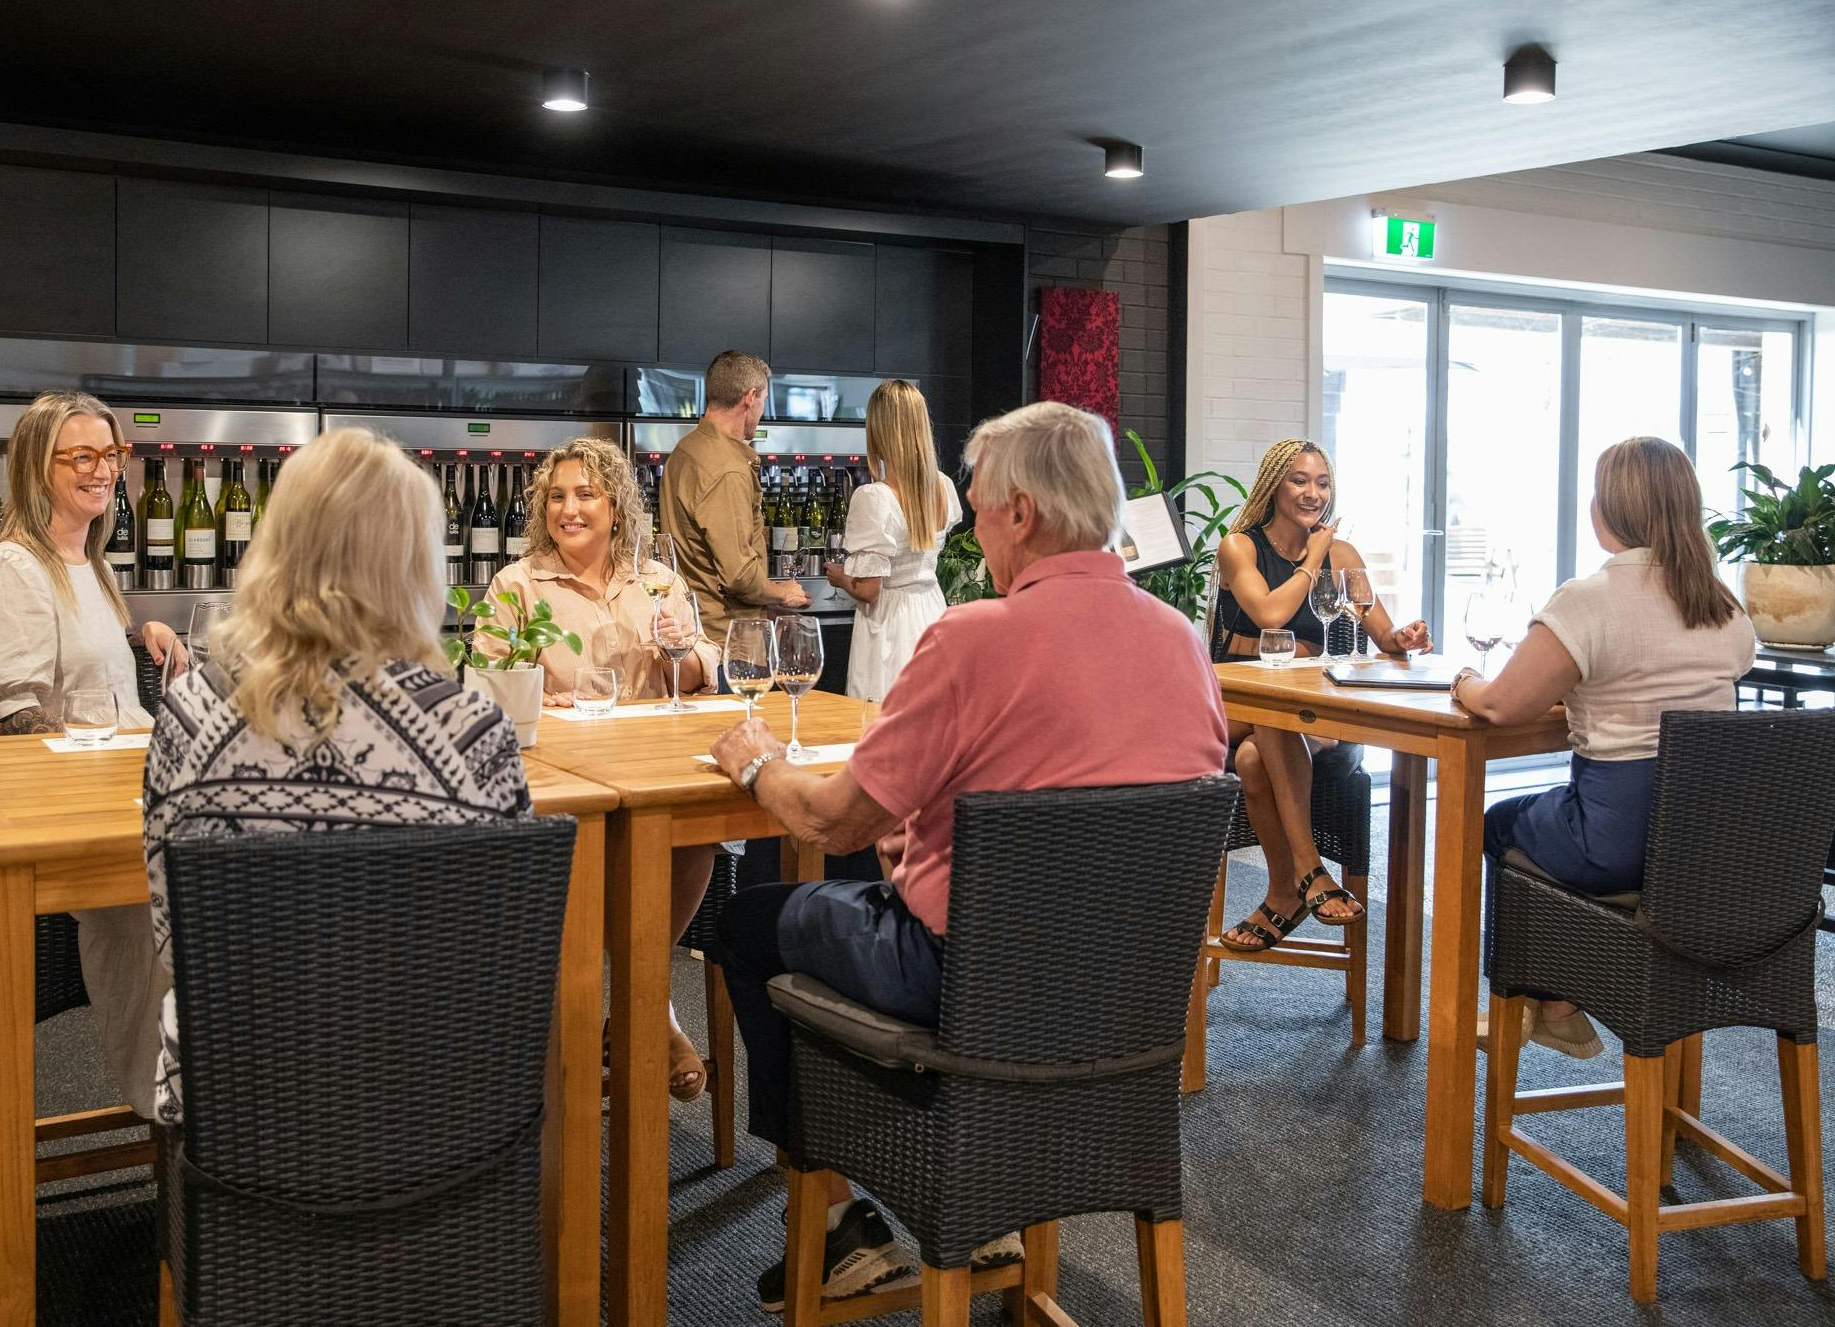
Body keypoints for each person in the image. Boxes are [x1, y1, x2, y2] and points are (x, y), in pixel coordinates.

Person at [708, 401, 1229, 1312]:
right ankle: (987, 1198)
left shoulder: (973, 637)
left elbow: (835, 824)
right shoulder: (1183, 644)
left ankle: (836, 1225)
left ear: (1021, 513)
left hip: (966, 985)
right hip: (1130, 998)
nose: (974, 527)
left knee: (747, 923)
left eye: (981, 506)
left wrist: (757, 763)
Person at [144, 427, 530, 1125]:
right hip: (442, 1104)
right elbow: (501, 957)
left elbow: (176, 940)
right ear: (415, 563)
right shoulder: (474, 726)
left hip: (241, 1104)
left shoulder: (189, 715)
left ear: (275, 545)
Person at [1457, 436, 1754, 1059]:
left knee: (1499, 823)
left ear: (1608, 510)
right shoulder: (1723, 604)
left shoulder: (1589, 599)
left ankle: (1541, 1001)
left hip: (1614, 844)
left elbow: (1501, 705)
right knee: (1539, 818)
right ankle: (1561, 1003)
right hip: (1707, 848)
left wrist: (1464, 680)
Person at [0, 389, 185, 1120]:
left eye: (110, 453)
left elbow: (84, 670)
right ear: (31, 466)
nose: (102, 468)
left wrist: (148, 635)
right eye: (81, 454)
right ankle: (177, 1105)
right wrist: (118, 762)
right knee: (194, 899)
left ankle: (202, 1101)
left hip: (119, 795)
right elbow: (16, 724)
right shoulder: (11, 572)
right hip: (61, 826)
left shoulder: (90, 561)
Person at [479, 436, 724, 1100]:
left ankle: (642, 1004)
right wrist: (530, 690)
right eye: (557, 496)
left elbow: (706, 669)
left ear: (616, 506)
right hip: (565, 786)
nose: (570, 508)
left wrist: (685, 652)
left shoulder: (656, 580)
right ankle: (646, 1011)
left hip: (647, 776)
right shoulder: (517, 584)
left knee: (696, 833)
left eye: (586, 494)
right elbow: (483, 684)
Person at [1207, 437, 1430, 955]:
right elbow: (1268, 615)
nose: (1313, 493)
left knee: (1256, 752)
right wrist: (1315, 557)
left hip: (1294, 706)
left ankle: (1284, 893)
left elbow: (1383, 634)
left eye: (1322, 482)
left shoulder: (1342, 555)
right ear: (1274, 486)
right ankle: (1311, 869)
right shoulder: (1240, 545)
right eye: (1300, 481)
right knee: (1266, 718)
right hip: (1236, 698)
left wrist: (1405, 639)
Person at [825, 380, 961, 701]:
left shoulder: (874, 497)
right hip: (932, 612)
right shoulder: (943, 486)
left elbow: (870, 591)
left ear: (879, 431)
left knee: (881, 718)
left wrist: (840, 577)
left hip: (891, 625)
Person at [661, 349, 810, 639]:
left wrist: (766, 602)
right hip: (728, 640)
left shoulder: (685, 449)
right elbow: (739, 575)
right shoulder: (727, 469)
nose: (761, 412)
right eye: (764, 401)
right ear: (750, 397)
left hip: (695, 628)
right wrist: (782, 593)